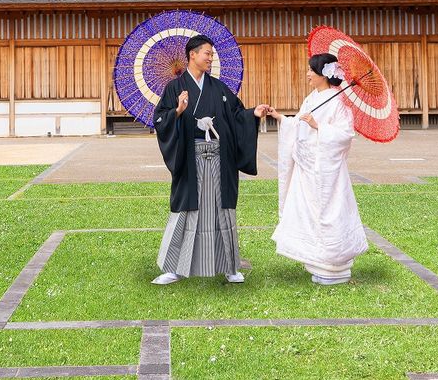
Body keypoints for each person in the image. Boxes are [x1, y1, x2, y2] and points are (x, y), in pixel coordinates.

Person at [151, 34, 270, 285]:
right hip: (190, 159)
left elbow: (236, 114)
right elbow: (160, 120)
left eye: (211, 54)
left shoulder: (218, 88)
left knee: (222, 211)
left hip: (219, 159)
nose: (210, 57)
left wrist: (253, 114)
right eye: (207, 53)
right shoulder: (175, 88)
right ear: (192, 55)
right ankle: (174, 268)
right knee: (186, 211)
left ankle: (230, 266)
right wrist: (178, 111)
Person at [267, 53, 368, 285]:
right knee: (308, 214)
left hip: (326, 172)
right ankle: (315, 260)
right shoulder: (313, 97)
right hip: (307, 170)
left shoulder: (338, 102)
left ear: (324, 74)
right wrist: (282, 118)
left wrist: (318, 126)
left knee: (328, 213)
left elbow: (344, 135)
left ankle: (334, 265)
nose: (308, 74)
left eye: (311, 70)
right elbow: (299, 124)